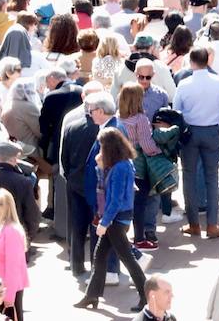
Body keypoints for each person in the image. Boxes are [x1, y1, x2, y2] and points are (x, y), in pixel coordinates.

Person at [75, 127, 146, 313]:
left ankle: (146, 296)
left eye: (102, 146)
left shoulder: (120, 167)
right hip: (118, 218)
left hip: (115, 220)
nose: (100, 149)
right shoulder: (123, 164)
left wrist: (104, 223)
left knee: (127, 259)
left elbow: (115, 200)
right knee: (99, 257)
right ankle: (92, 295)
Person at [173, 45, 219, 239]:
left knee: (189, 177)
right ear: (208, 60)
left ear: (191, 61)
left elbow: (177, 110)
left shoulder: (184, 84)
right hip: (212, 130)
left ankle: (194, 224)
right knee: (212, 178)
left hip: (190, 132)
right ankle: (212, 225)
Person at [0, 190, 28, 321]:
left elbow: (14, 267)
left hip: (6, 291)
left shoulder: (11, 231)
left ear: (4, 207)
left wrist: (9, 297)